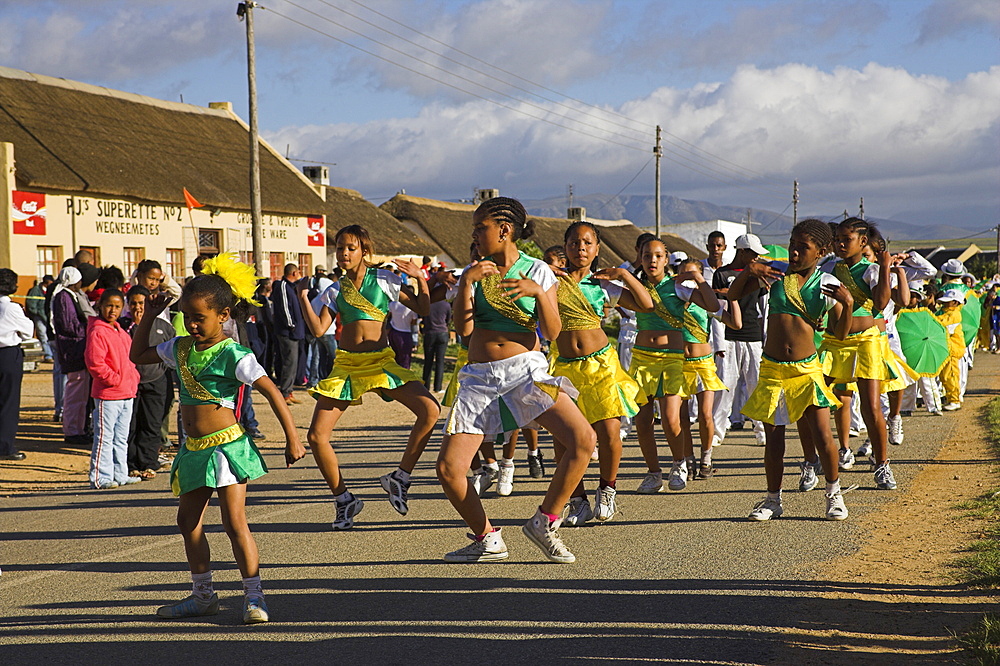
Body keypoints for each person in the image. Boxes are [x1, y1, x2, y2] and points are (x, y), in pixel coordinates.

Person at [130, 253, 305, 624]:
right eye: (186, 317)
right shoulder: (179, 348)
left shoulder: (234, 354)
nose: (192, 325)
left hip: (226, 447)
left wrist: (292, 438)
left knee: (234, 522)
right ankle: (203, 594)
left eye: (199, 318)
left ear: (223, 316)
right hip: (193, 449)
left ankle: (254, 597)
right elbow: (138, 354)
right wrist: (150, 314)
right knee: (187, 522)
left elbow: (271, 391)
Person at [437, 196, 596, 564]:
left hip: (525, 373)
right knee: (449, 469)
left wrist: (538, 293)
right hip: (480, 378)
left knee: (583, 439)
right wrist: (466, 285)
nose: (475, 234)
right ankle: (486, 537)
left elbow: (553, 331)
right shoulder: (473, 272)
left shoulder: (538, 271)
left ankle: (544, 522)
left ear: (504, 230)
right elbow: (463, 329)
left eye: (481, 227)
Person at [299, 225, 438, 528]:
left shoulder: (387, 280)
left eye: (350, 247)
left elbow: (423, 308)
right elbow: (319, 330)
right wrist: (302, 298)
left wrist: (419, 276)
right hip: (347, 365)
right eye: (339, 248)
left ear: (364, 250)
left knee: (430, 409)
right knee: (316, 436)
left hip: (381, 362)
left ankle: (400, 477)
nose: (344, 253)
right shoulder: (334, 289)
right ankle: (344, 500)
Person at [732, 219, 854, 521]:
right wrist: (750, 271)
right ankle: (773, 499)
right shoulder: (774, 276)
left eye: (803, 248)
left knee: (823, 435)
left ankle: (833, 494)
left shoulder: (827, 286)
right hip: (773, 369)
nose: (795, 253)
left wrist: (848, 304)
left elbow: (839, 334)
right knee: (774, 439)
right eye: (792, 245)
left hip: (807, 370)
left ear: (821, 252)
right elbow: (733, 295)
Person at [550, 221, 653, 526]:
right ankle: (577, 501)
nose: (580, 248)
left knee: (609, 432)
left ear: (596, 249)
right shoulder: (552, 281)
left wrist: (624, 274)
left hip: (602, 366)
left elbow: (646, 304)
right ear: (566, 247)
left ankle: (607, 490)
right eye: (574, 243)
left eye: (587, 243)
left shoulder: (602, 285)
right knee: (563, 437)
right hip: (566, 367)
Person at [630, 238, 721, 493]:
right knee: (643, 420)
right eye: (647, 256)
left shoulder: (678, 286)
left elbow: (713, 306)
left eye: (658, 256)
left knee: (671, 419)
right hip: (642, 359)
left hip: (672, 360)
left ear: (666, 260)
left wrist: (698, 278)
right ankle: (653, 473)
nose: (652, 261)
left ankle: (680, 463)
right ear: (641, 258)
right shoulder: (638, 287)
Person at [819, 218, 897, 491]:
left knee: (871, 406)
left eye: (846, 239)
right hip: (836, 341)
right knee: (816, 398)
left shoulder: (871, 270)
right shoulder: (829, 268)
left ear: (862, 242)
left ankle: (882, 465)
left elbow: (881, 303)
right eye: (837, 238)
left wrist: (886, 267)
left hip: (866, 342)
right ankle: (816, 459)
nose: (840, 243)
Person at [676, 259, 741, 480]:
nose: (689, 280)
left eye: (693, 276)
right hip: (678, 364)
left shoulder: (707, 302)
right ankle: (687, 460)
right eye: (684, 275)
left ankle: (706, 458)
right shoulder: (671, 299)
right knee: (682, 419)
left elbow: (736, 324)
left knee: (705, 415)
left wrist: (733, 298)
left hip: (703, 363)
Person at [712, 234, 768, 446]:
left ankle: (761, 430)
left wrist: (766, 338)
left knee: (757, 386)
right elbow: (717, 309)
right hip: (729, 337)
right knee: (726, 386)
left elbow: (764, 308)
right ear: (741, 252)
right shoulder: (721, 274)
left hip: (753, 337)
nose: (756, 258)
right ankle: (717, 433)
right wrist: (718, 343)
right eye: (753, 254)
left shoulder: (758, 275)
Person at [85, 288, 141, 489]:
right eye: (109, 305)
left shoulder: (121, 332)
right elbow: (95, 363)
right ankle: (101, 477)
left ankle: (120, 474)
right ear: (100, 305)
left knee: (121, 438)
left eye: (117, 306)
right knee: (104, 438)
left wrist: (133, 379)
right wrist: (114, 380)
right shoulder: (98, 331)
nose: (113, 310)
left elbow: (131, 360)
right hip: (108, 394)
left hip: (127, 393)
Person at [122, 286, 174, 479]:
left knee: (152, 424)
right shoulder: (122, 326)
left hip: (156, 382)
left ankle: (148, 462)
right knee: (131, 425)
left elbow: (172, 351)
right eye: (133, 303)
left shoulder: (163, 326)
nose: (137, 307)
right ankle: (130, 464)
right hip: (130, 384)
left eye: (141, 303)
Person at [52, 262, 100, 446]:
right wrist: (88, 329)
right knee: (75, 395)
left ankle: (79, 429)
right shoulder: (64, 298)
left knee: (80, 396)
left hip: (77, 350)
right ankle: (72, 431)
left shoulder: (69, 296)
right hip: (73, 351)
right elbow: (69, 326)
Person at [0, 268, 35, 461]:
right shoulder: (11, 308)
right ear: (13, 286)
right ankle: (5, 446)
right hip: (7, 355)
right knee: (9, 402)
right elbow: (28, 330)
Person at [271, 263, 305, 404]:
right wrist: (291, 325)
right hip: (287, 332)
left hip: (295, 332)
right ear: (294, 273)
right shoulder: (283, 286)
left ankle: (289, 391)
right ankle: (284, 392)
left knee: (294, 363)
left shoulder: (292, 288)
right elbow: (285, 308)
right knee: (289, 362)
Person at [936, 289, 966, 411]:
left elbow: (941, 324)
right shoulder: (943, 312)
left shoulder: (954, 315)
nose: (945, 304)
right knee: (944, 376)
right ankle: (950, 398)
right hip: (946, 350)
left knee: (951, 375)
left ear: (955, 302)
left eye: (947, 302)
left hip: (953, 350)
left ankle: (954, 400)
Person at [422, 296, 451, 393]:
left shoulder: (428, 305)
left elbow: (423, 318)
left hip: (430, 333)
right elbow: (448, 320)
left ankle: (426, 386)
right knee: (440, 361)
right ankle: (437, 387)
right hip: (442, 333)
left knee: (428, 361)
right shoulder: (446, 305)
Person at [26, 274, 54, 362]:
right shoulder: (36, 291)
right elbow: (31, 305)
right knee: (43, 336)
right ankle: (48, 355)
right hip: (39, 317)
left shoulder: (50, 291)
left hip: (48, 316)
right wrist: (37, 314)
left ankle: (52, 354)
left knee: (50, 336)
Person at [387, 298, 419, 369]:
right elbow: (414, 323)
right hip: (405, 333)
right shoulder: (412, 308)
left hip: (394, 332)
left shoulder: (393, 304)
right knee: (405, 360)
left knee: (394, 358)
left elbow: (388, 315)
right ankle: (404, 378)